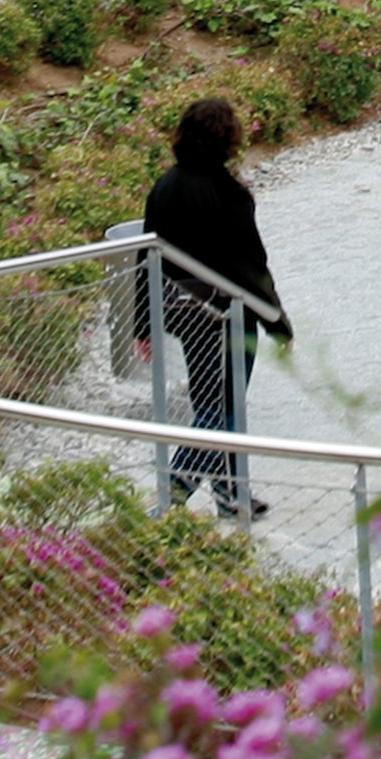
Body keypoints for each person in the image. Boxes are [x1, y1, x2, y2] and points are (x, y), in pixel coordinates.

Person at [135, 93, 287, 517]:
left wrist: (143, 323)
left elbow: (146, 257)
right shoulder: (229, 192)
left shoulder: (164, 187)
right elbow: (250, 266)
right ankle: (176, 489)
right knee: (225, 407)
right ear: (228, 139)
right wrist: (278, 324)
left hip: (182, 311)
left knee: (210, 402)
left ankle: (230, 494)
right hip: (227, 315)